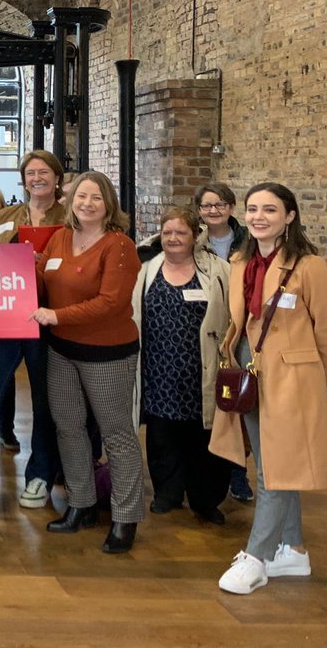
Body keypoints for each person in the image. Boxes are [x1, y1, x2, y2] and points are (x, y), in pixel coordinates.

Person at [211, 183, 327, 595]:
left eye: (270, 209)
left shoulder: (308, 267)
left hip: (292, 380)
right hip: (249, 372)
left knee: (274, 472)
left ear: (289, 216)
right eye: (252, 209)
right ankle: (295, 549)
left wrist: (315, 379)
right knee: (272, 465)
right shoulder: (241, 262)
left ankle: (257, 557)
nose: (258, 217)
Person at [33, 170, 144, 554]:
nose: (87, 203)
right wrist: (12, 265)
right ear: (71, 200)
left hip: (107, 353)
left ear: (108, 204)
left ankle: (125, 516)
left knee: (117, 434)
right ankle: (80, 504)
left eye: (96, 197)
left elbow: (112, 302)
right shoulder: (61, 237)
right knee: (68, 427)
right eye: (81, 196)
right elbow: (41, 277)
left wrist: (57, 317)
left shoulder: (119, 245)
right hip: (62, 350)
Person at [130, 206, 231, 524]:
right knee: (162, 434)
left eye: (181, 232)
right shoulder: (147, 268)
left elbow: (231, 316)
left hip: (202, 367)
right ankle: (167, 493)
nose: (174, 238)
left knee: (205, 436)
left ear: (195, 235)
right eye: (168, 232)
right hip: (158, 368)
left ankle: (205, 498)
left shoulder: (217, 269)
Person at [0, 149, 67, 509]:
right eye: (30, 173)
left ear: (57, 178)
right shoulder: (4, 216)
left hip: (49, 316)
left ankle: (40, 475)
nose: (37, 178)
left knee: (46, 400)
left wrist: (42, 262)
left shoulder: (71, 216)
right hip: (6, 316)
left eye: (44, 172)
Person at [194, 183, 254, 502]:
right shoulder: (194, 242)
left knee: (236, 403)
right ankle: (206, 472)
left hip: (240, 331)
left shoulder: (248, 241)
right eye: (207, 206)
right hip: (206, 331)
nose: (213, 211)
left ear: (231, 208)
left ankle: (238, 472)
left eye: (220, 205)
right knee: (211, 402)